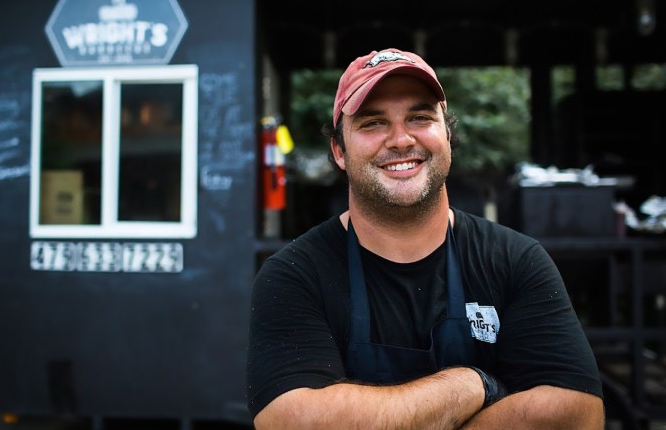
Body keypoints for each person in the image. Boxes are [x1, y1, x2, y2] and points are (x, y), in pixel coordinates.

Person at [247, 48, 604, 429]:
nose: (400, 140)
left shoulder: (516, 260)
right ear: (339, 150)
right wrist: (470, 385)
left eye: (419, 117)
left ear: (446, 134)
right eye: (372, 123)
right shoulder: (295, 275)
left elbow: (577, 414)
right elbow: (290, 420)